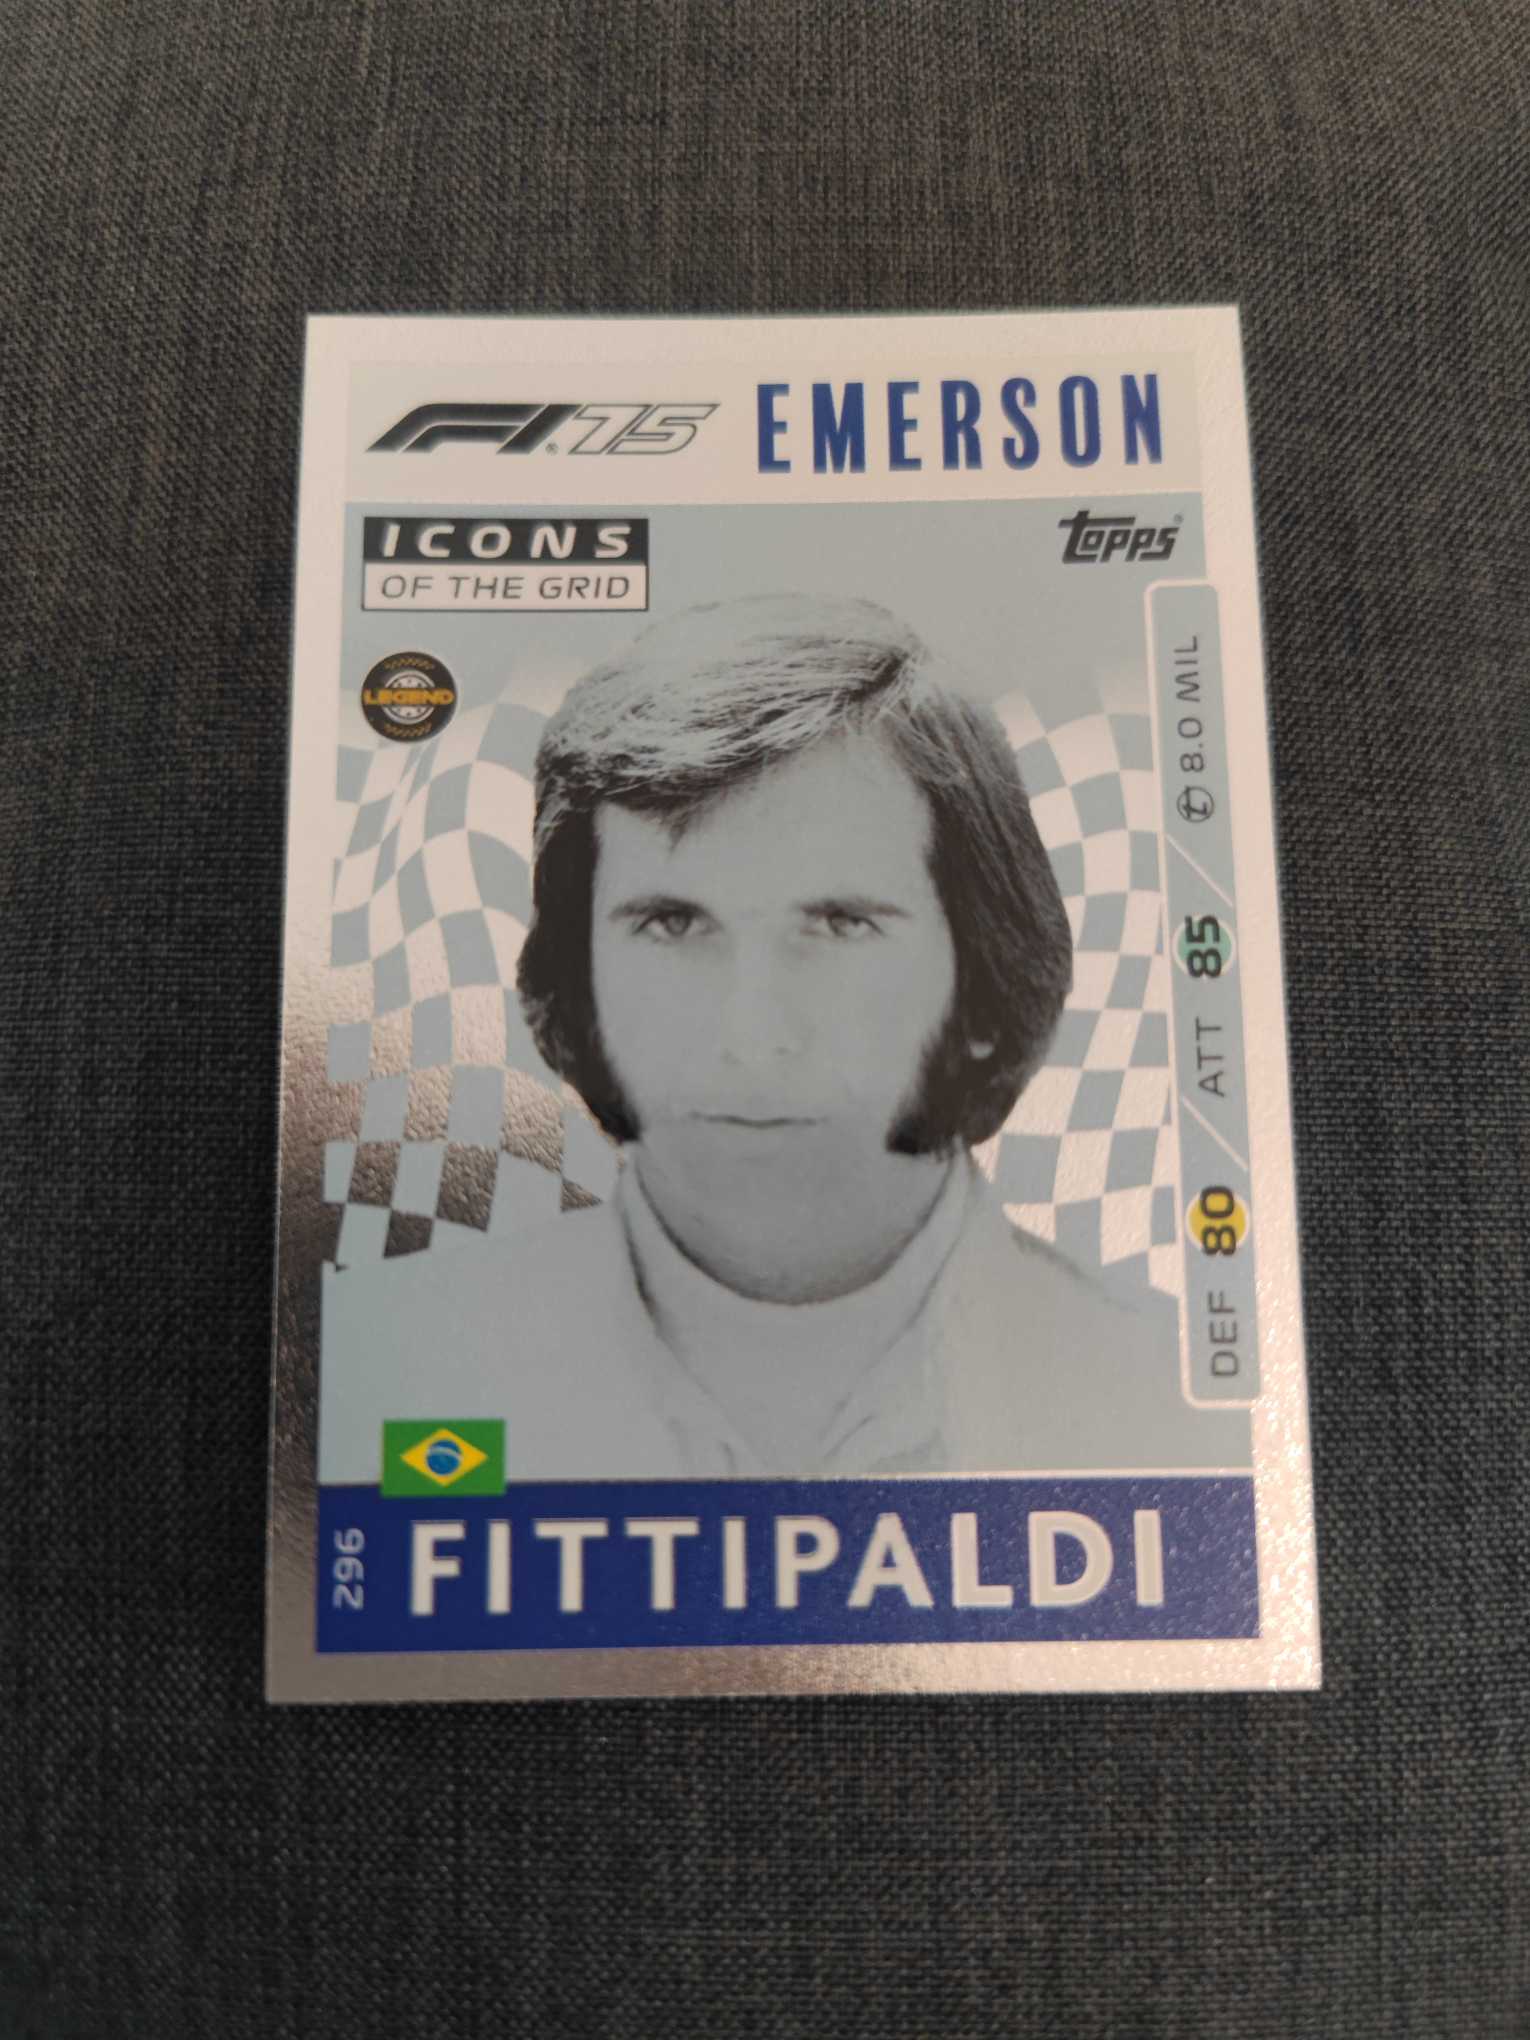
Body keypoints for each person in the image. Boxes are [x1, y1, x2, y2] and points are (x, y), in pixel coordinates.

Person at [319, 595, 1250, 1482]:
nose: (753, 1036)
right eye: (673, 924)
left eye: (841, 924)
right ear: (578, 983)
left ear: (981, 979)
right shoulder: (381, 1374)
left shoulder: (1184, 1408)